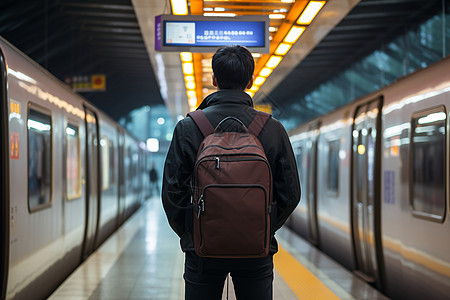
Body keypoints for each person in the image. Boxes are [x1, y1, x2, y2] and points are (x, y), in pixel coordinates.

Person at [162, 45, 300, 300]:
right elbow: (291, 195)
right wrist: (263, 227)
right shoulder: (272, 129)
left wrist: (193, 232)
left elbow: (172, 194)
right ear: (250, 80)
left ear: (214, 79)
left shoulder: (189, 127)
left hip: (202, 251)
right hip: (255, 250)